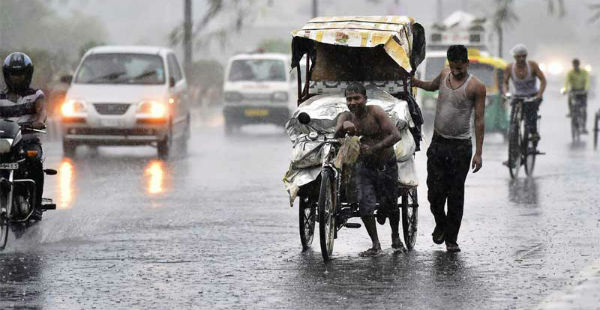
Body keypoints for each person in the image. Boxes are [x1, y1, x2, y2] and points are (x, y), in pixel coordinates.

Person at [411, 45, 486, 252]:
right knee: (434, 193)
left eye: (460, 68)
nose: (456, 72)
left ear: (467, 63)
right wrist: (416, 82)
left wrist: (478, 153)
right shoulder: (444, 74)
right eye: (453, 67)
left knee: (455, 194)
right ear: (449, 64)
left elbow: (479, 120)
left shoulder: (476, 87)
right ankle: (441, 223)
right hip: (438, 143)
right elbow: (432, 86)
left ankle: (451, 239)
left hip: (461, 147)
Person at [334, 82, 402, 257]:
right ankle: (375, 244)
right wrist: (344, 128)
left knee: (391, 204)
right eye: (349, 99)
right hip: (363, 167)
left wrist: (375, 148)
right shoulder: (345, 115)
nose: (353, 102)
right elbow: (336, 135)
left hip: (386, 165)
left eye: (357, 98)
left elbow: (395, 135)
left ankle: (396, 236)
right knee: (365, 205)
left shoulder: (376, 112)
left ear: (365, 99)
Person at [0, 52, 47, 220]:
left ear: (28, 74)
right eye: (13, 73)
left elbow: (42, 111)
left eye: (21, 74)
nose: (17, 78)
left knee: (34, 160)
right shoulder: (1, 97)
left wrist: (39, 121)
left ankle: (36, 206)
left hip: (28, 142)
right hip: (5, 143)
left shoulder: (36, 95)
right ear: (7, 75)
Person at [502, 44, 547, 141]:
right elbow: (505, 83)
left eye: (524, 56)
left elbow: (543, 80)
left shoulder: (532, 65)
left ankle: (533, 132)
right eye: (519, 57)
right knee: (514, 117)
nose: (521, 59)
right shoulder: (510, 68)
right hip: (518, 96)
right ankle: (514, 132)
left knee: (531, 114)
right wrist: (507, 93)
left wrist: (539, 95)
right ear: (514, 57)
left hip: (532, 96)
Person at [563, 58, 590, 132]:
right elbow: (566, 82)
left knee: (584, 109)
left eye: (576, 65)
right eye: (574, 65)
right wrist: (565, 89)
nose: (575, 66)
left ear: (578, 64)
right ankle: (571, 112)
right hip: (574, 90)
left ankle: (584, 126)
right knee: (570, 99)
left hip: (582, 91)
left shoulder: (584, 72)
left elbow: (587, 81)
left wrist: (586, 89)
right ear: (573, 65)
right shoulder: (570, 73)